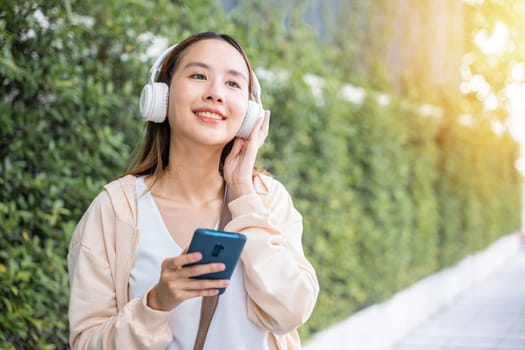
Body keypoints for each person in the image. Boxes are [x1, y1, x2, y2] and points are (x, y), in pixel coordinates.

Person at [67, 31, 319, 350]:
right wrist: (157, 303)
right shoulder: (116, 209)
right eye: (199, 75)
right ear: (161, 96)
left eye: (233, 84)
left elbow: (291, 311)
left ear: (250, 113)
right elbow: (87, 343)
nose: (215, 93)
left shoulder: (269, 199)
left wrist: (243, 194)